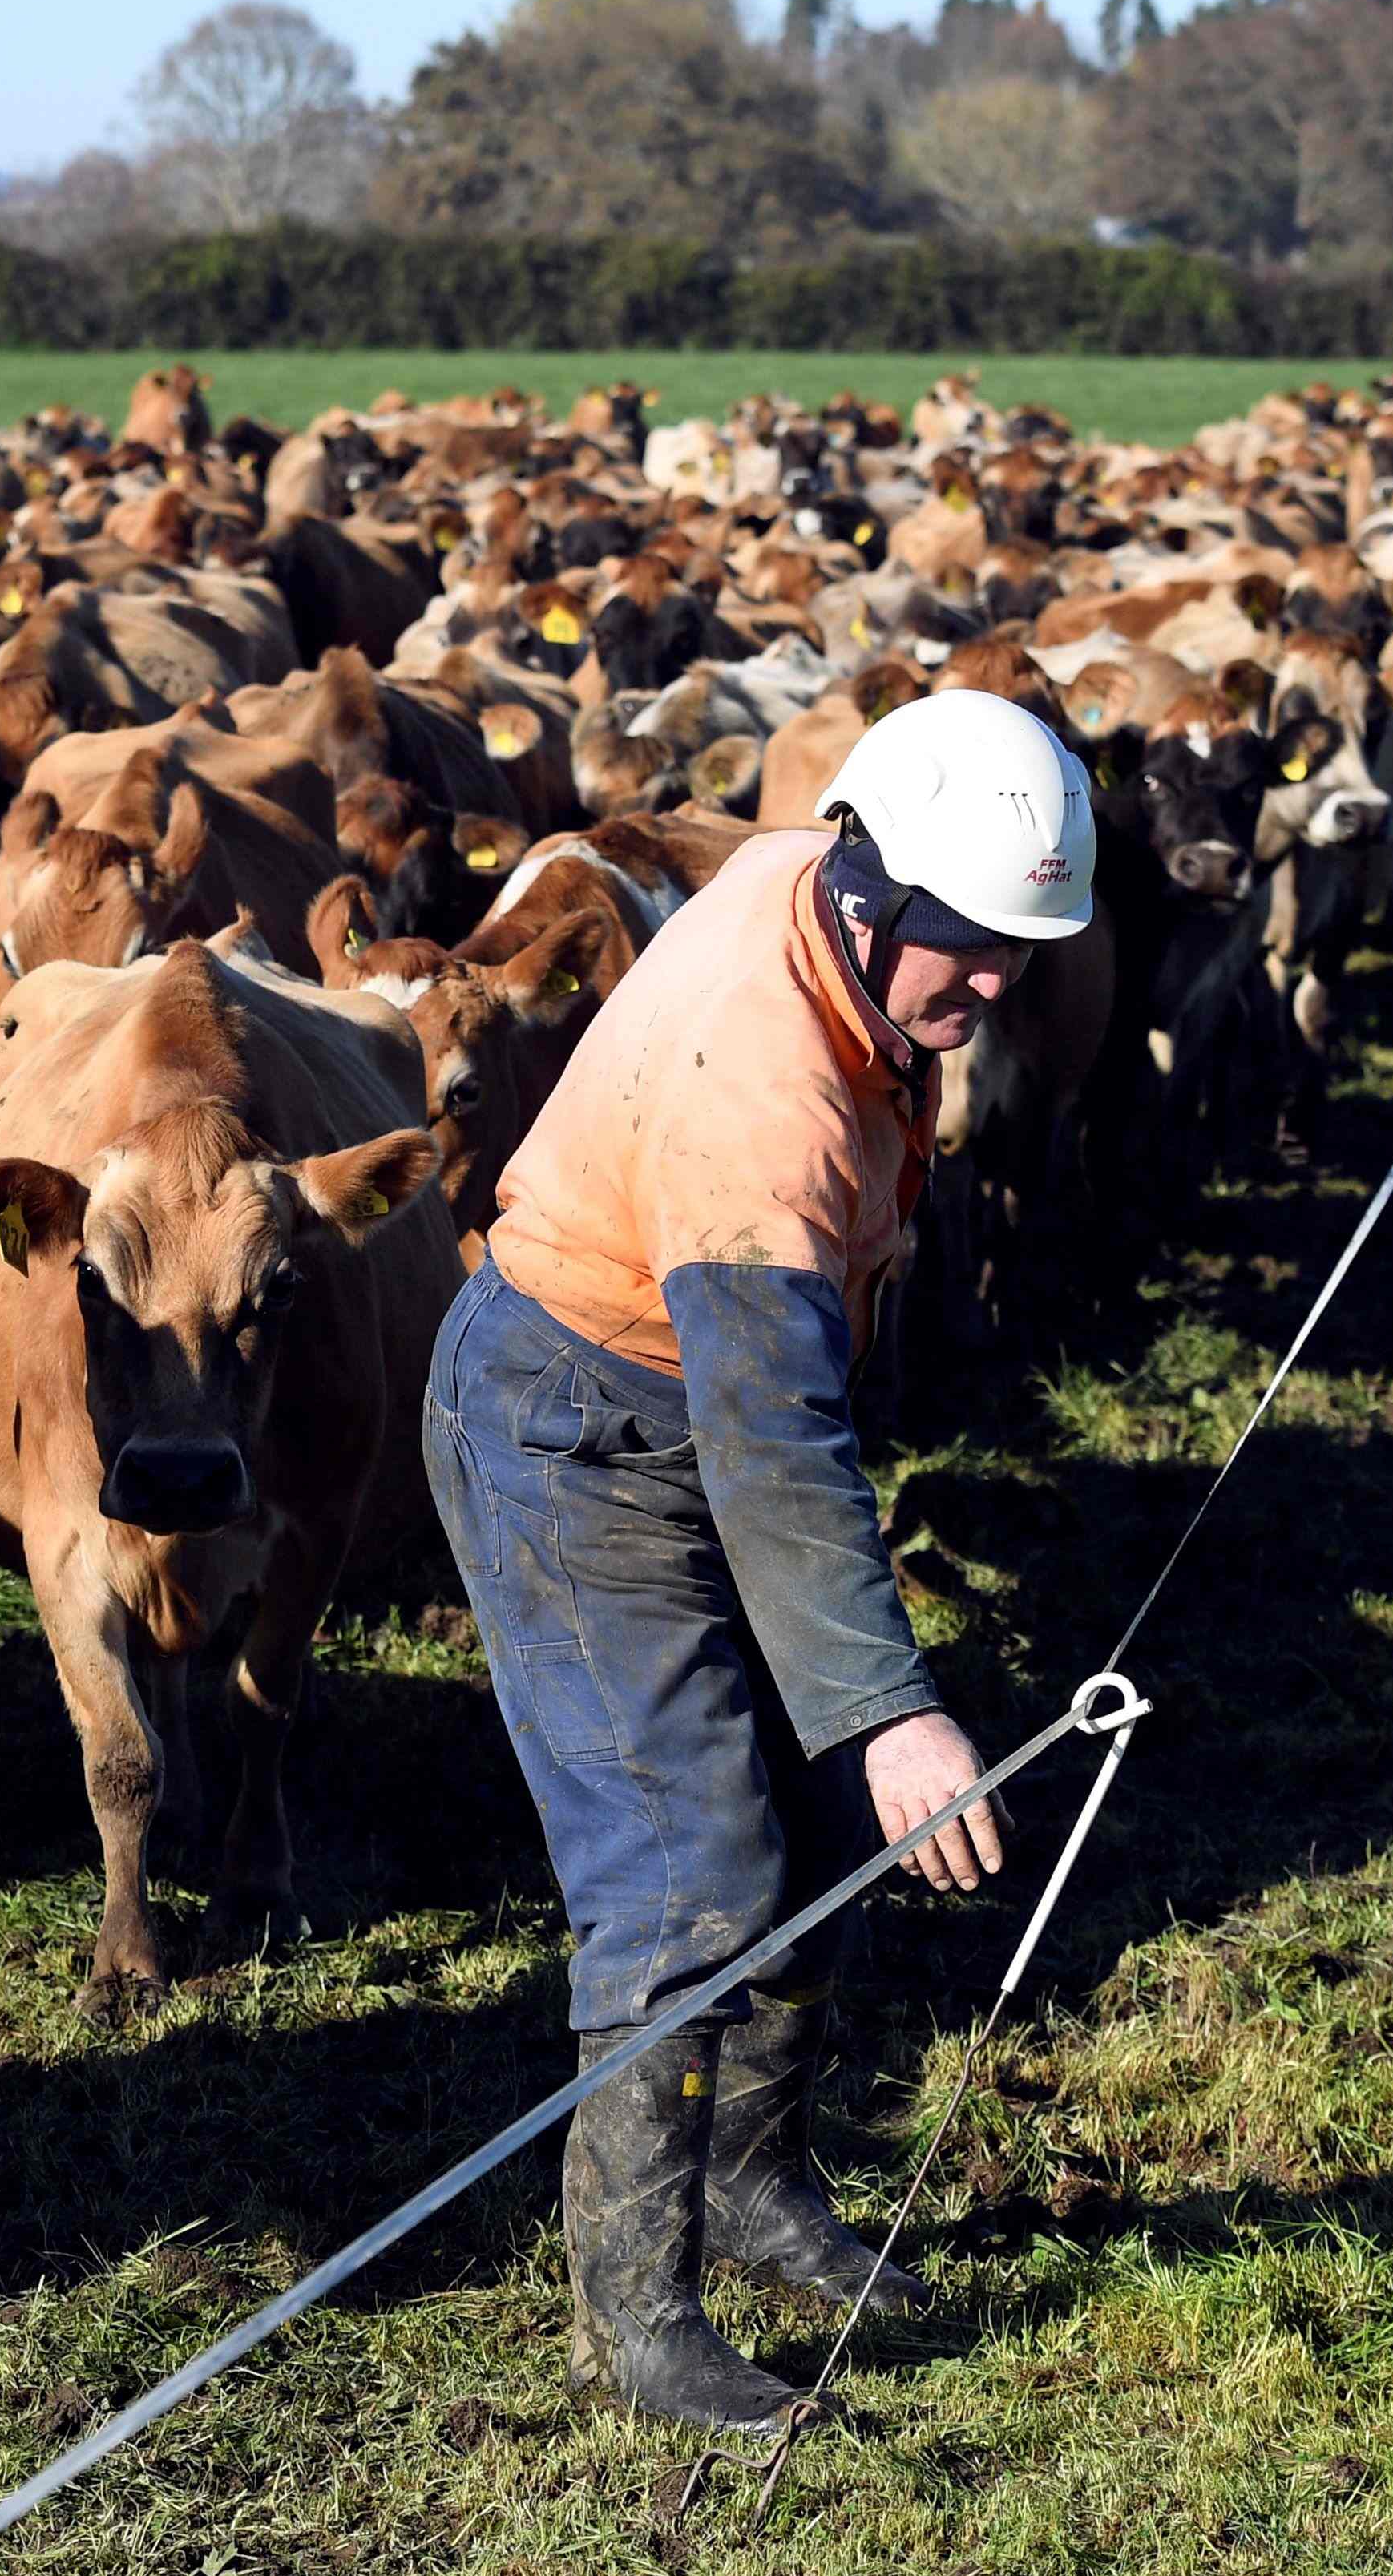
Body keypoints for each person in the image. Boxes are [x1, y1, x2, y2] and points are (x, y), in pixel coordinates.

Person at [423, 689, 1096, 2432]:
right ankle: (637, 2323)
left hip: (681, 1403)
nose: (999, 991)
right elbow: (771, 1441)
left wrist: (852, 1734)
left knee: (800, 1828)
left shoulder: (827, 885)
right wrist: (892, 1713)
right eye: (970, 953)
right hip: (575, 1430)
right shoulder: (763, 1106)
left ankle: (754, 2182)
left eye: (1026, 951)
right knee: (686, 1872)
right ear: (876, 906)